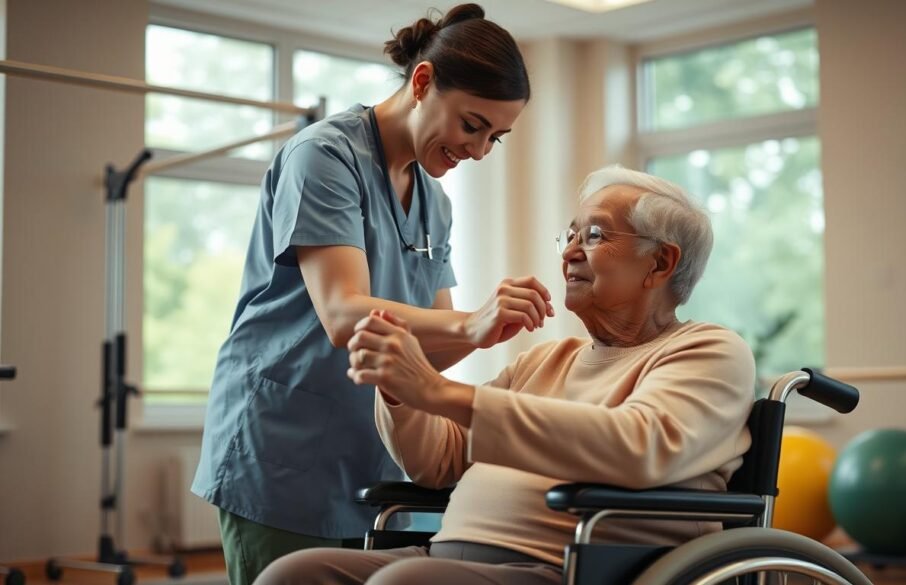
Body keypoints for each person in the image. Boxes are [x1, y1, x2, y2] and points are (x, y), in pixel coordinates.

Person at [254, 166, 757, 585]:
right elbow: (442, 460)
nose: (569, 252)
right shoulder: (547, 359)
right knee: (294, 575)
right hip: (447, 560)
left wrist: (436, 388)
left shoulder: (707, 351)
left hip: (573, 568)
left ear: (661, 262)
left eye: (596, 235)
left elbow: (638, 445)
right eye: (571, 234)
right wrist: (401, 386)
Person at [191, 5, 548, 584]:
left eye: (496, 138)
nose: (479, 151)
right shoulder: (325, 157)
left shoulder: (435, 203)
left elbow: (428, 349)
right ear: (424, 82)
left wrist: (492, 328)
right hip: (285, 450)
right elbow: (341, 315)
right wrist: (470, 324)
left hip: (371, 456)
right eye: (472, 125)